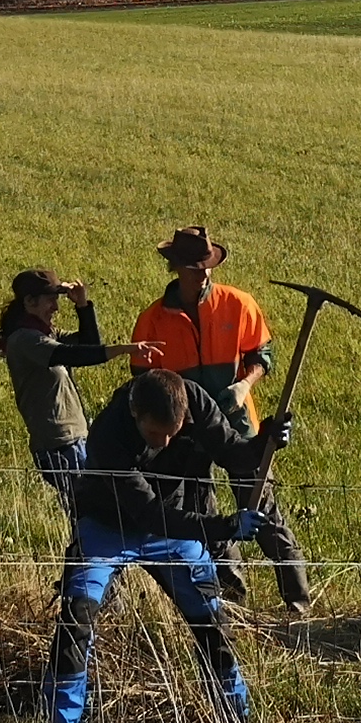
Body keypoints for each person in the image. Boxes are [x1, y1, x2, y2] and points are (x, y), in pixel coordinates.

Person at [45, 366, 278, 723]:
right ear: (136, 414)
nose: (166, 441)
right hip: (110, 526)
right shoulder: (108, 437)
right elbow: (149, 513)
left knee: (210, 619)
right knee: (77, 617)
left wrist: (266, 440)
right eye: (156, 435)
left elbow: (231, 451)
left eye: (174, 431)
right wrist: (223, 526)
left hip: (172, 530)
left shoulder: (194, 402)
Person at [129, 225, 305, 604]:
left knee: (263, 511)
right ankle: (231, 599)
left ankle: (298, 603)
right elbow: (143, 382)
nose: (204, 273)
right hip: (187, 432)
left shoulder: (238, 304)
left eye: (207, 265)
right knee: (206, 517)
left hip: (239, 426)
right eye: (195, 267)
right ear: (176, 268)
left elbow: (263, 354)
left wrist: (245, 385)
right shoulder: (153, 320)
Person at [0, 269, 119, 499]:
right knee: (86, 511)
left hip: (75, 439)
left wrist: (82, 305)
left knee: (90, 511)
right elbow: (76, 356)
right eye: (50, 299)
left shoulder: (47, 333)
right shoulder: (25, 340)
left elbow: (89, 344)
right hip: (60, 445)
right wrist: (123, 350)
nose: (56, 307)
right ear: (29, 302)